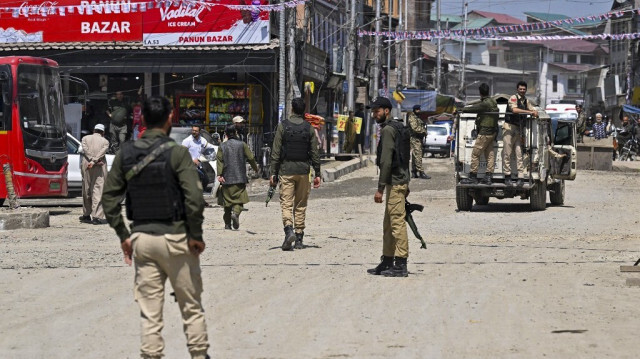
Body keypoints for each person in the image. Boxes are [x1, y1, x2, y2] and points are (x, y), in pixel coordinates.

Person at [101, 96, 210, 359]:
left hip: (143, 240)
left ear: (143, 121)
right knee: (191, 307)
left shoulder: (126, 154)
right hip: (177, 240)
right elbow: (195, 199)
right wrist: (195, 235)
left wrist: (124, 236)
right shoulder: (178, 153)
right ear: (170, 120)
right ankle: (198, 354)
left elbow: (109, 199)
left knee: (150, 313)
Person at [366, 96, 411, 278]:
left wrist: (380, 189)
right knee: (388, 224)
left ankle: (400, 263)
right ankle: (387, 260)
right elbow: (405, 158)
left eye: (377, 111)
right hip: (399, 181)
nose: (374, 114)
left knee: (396, 223)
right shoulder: (398, 127)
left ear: (386, 110)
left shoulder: (388, 131)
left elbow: (385, 162)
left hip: (394, 182)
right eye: (373, 111)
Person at [270, 97, 322, 251]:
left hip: (286, 171)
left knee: (286, 203)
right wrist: (317, 172)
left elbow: (276, 151)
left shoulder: (283, 126)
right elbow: (314, 152)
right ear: (304, 111)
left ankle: (288, 230)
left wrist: (273, 172)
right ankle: (299, 238)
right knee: (300, 204)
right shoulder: (309, 128)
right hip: (304, 171)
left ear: (292, 109)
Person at [217, 124, 259, 230]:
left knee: (227, 202)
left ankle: (227, 224)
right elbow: (251, 157)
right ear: (235, 133)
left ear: (225, 134)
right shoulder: (242, 144)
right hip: (240, 177)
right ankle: (235, 213)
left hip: (226, 177)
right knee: (239, 200)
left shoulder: (222, 146)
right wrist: (255, 168)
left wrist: (219, 174)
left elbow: (220, 161)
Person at [459, 83, 499, 185]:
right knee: (489, 154)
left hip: (484, 133)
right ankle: (488, 176)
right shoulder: (493, 102)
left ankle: (473, 176)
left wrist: (462, 109)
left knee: (475, 154)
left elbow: (474, 108)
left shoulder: (485, 104)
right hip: (492, 133)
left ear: (480, 93)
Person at [504, 81, 538, 187]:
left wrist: (534, 111)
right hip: (509, 128)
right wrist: (530, 112)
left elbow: (533, 109)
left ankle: (521, 177)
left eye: (524, 89)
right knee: (507, 153)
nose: (522, 91)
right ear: (517, 89)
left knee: (520, 154)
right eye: (521, 89)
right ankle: (507, 177)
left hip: (519, 129)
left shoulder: (526, 100)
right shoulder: (513, 98)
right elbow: (514, 110)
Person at [79, 123, 110, 225]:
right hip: (99, 166)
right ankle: (96, 217)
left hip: (87, 165)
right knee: (98, 190)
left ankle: (86, 215)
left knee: (86, 189)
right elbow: (102, 152)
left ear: (94, 130)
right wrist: (96, 160)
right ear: (103, 132)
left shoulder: (85, 138)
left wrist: (91, 160)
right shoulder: (105, 141)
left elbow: (85, 150)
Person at [182, 124, 214, 190]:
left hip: (199, 166)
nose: (194, 132)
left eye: (196, 131)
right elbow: (182, 154)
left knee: (206, 180)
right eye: (193, 130)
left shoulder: (202, 140)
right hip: (189, 166)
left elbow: (209, 147)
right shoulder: (187, 141)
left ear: (199, 132)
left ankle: (198, 195)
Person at [408, 104, 430, 179]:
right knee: (418, 155)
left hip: (418, 139)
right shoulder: (412, 117)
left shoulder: (417, 118)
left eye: (419, 109)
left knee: (415, 156)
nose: (418, 111)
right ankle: (421, 172)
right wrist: (423, 131)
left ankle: (414, 172)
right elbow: (414, 128)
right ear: (414, 110)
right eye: (417, 109)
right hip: (415, 138)